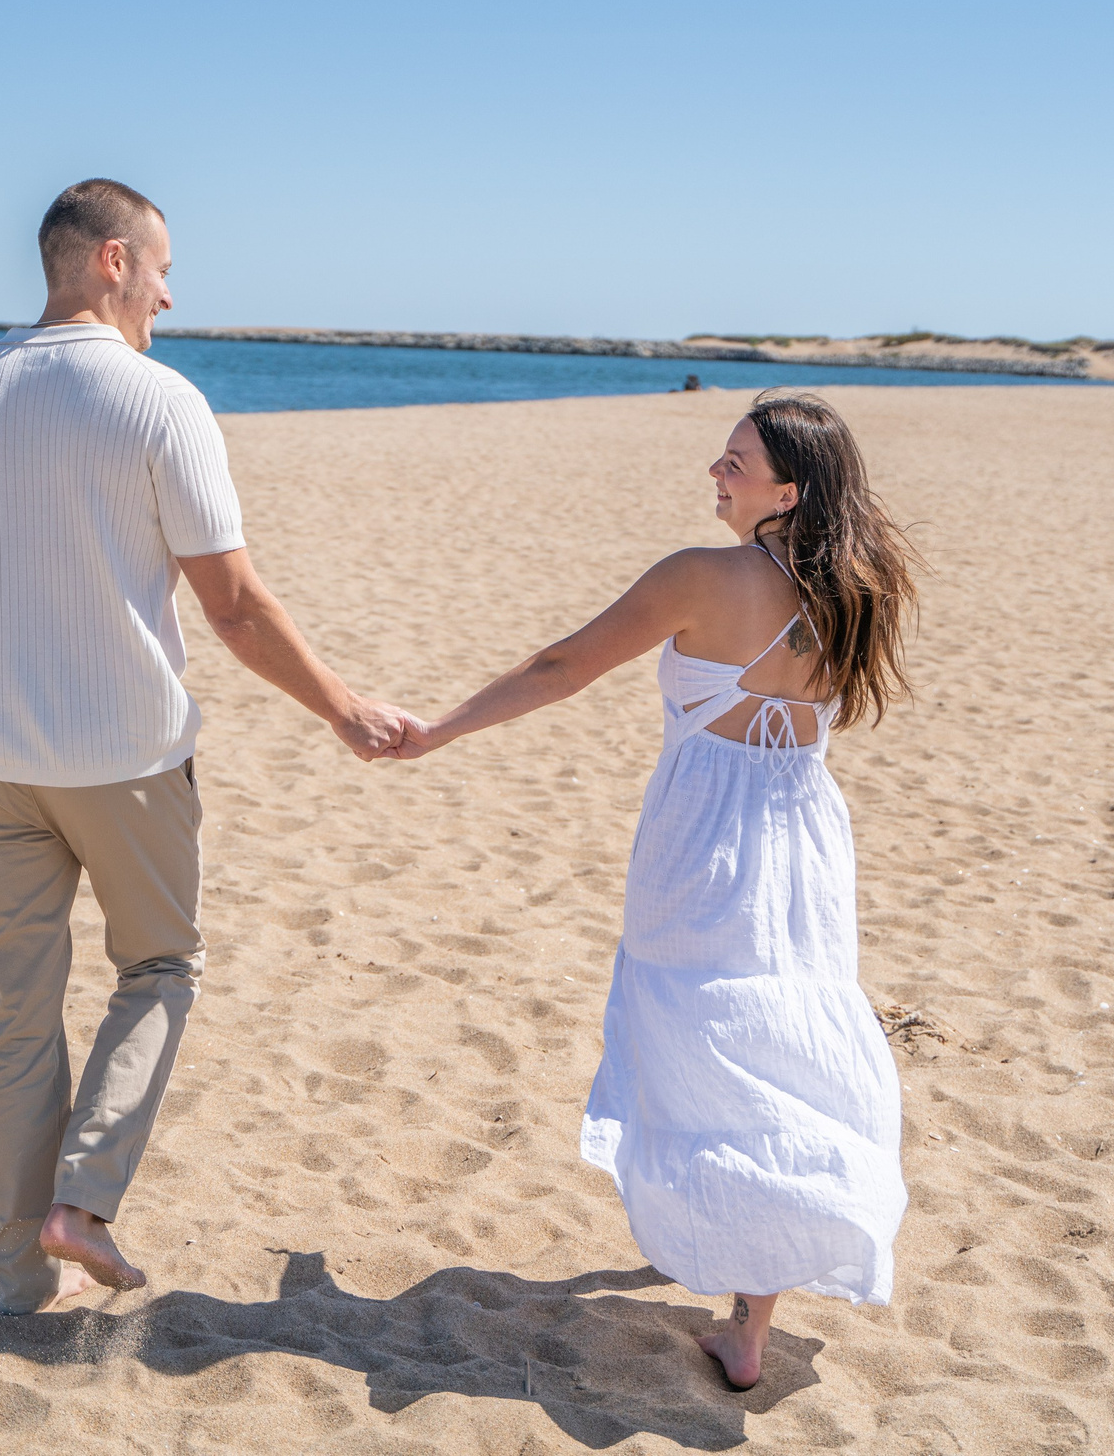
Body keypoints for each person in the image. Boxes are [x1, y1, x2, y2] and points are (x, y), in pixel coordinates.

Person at [0, 178, 409, 1313]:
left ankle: (20, 1280)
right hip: (125, 756)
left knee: (11, 1026)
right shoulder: (160, 400)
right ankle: (82, 1195)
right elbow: (232, 605)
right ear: (111, 260)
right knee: (161, 968)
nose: (171, 294)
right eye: (163, 268)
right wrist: (339, 705)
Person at [391, 393, 918, 1390]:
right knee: (779, 1038)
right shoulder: (862, 581)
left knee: (698, 1034)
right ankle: (751, 1317)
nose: (713, 475)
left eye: (733, 462)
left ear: (788, 488)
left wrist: (443, 728)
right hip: (805, 834)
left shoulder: (701, 576)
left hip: (705, 835)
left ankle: (732, 1255)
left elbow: (563, 666)